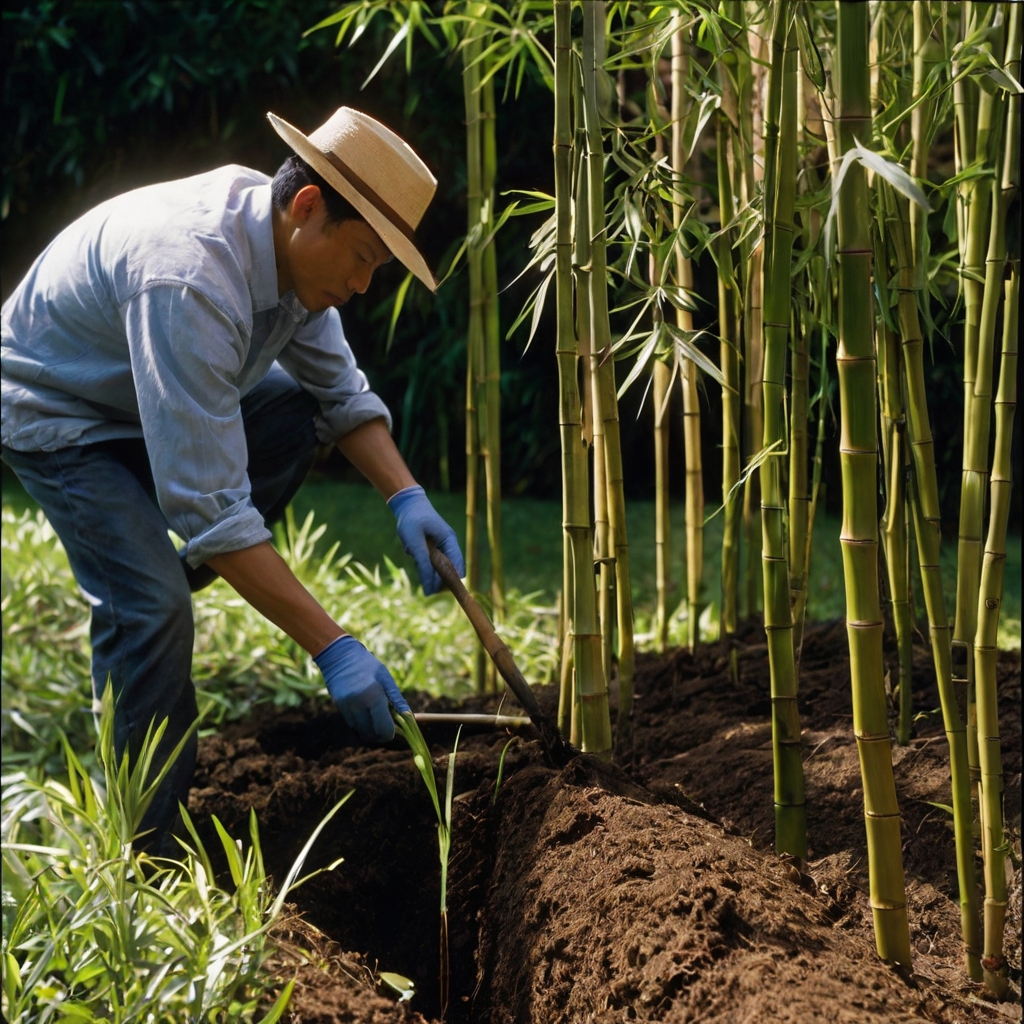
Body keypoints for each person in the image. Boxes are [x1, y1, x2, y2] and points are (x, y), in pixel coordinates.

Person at [1, 107, 466, 856]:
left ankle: (153, 579)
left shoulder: (285, 252)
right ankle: (139, 862)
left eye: (376, 268)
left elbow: (339, 395)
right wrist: (335, 647)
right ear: (309, 207)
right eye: (362, 258)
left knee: (293, 411)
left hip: (142, 396)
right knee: (155, 612)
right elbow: (211, 507)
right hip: (63, 413)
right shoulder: (188, 274)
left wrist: (406, 496)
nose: (362, 283)